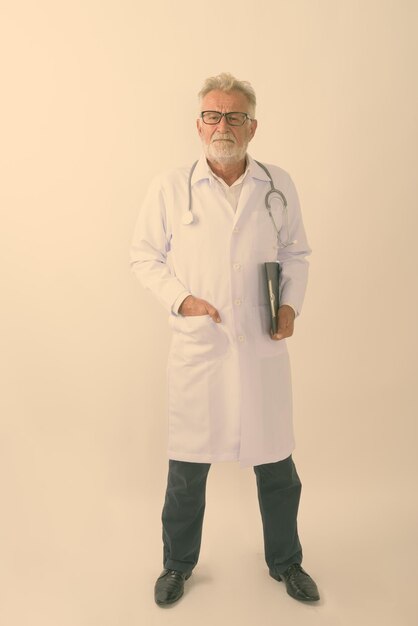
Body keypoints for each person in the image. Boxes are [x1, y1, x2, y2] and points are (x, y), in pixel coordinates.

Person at [130, 72, 320, 606]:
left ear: (252, 126)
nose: (223, 125)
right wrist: (182, 300)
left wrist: (288, 305)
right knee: (187, 473)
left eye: (234, 116)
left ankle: (287, 562)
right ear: (198, 125)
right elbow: (144, 254)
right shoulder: (171, 187)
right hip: (202, 351)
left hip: (260, 347)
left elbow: (297, 254)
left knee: (278, 467)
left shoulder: (276, 184)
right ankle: (177, 565)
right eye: (213, 115)